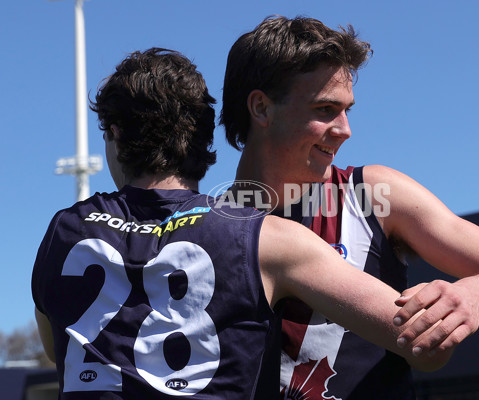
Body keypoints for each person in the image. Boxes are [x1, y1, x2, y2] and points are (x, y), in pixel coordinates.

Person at [31, 48, 451, 400]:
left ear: (115, 135)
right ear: (202, 139)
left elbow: (58, 348)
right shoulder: (264, 236)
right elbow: (421, 341)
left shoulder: (64, 232)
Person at [220, 15, 479, 399]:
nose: (345, 129)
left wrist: (473, 296)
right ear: (262, 108)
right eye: (325, 109)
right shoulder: (201, 227)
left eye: (347, 109)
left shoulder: (373, 193)